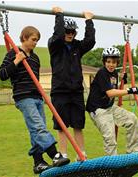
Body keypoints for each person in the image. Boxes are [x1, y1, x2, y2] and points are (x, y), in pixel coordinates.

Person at [0, 26, 70, 174]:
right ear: (24, 37)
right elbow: (2, 74)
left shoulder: (35, 58)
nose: (35, 43)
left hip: (37, 97)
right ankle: (55, 155)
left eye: (37, 40)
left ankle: (38, 162)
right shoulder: (13, 54)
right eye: (33, 39)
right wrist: (17, 61)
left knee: (36, 130)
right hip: (23, 97)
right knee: (38, 127)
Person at [48, 6, 96, 160]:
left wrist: (88, 21)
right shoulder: (55, 45)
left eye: (72, 32)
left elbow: (90, 41)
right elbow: (58, 34)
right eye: (67, 31)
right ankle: (62, 154)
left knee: (78, 124)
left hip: (76, 91)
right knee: (62, 125)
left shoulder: (77, 47)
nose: (69, 34)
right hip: (60, 91)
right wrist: (59, 15)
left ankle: (81, 154)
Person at [86, 47, 138, 155]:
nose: (111, 65)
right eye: (108, 62)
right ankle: (112, 163)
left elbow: (116, 88)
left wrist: (123, 80)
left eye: (114, 62)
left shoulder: (114, 74)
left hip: (110, 107)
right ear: (104, 62)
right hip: (98, 110)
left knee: (132, 119)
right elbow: (110, 93)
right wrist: (129, 90)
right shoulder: (102, 73)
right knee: (110, 138)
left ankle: (133, 152)